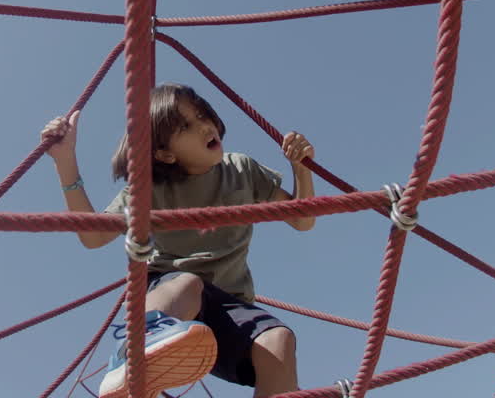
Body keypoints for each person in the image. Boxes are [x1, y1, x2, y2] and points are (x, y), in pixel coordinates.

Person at [41, 83, 316, 398]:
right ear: (164, 153)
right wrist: (65, 162)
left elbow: (302, 219)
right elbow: (93, 236)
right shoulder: (150, 190)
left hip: (228, 306)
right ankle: (133, 359)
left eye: (201, 115)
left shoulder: (241, 169)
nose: (205, 126)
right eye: (186, 126)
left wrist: (301, 170)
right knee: (187, 284)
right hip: (170, 296)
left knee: (278, 340)